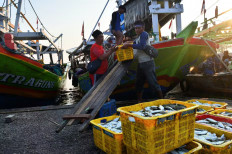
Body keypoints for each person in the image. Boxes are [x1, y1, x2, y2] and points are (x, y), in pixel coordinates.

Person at [121, 20, 163, 102]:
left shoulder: (144, 34)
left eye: (138, 28)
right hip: (141, 63)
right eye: (135, 28)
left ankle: (162, 100)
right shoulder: (139, 37)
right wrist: (128, 43)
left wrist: (129, 45)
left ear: (143, 28)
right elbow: (136, 43)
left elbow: (142, 46)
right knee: (139, 83)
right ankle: (139, 101)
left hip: (148, 63)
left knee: (153, 83)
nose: (136, 30)